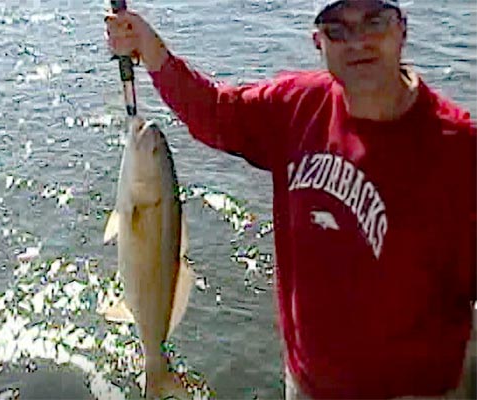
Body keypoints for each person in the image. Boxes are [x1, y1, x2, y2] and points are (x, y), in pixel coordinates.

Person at [105, 0, 476, 398]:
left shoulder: (459, 150)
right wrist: (148, 46)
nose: (358, 42)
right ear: (318, 42)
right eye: (337, 29)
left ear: (402, 29)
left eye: (375, 22)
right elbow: (213, 111)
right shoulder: (296, 108)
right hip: (306, 385)